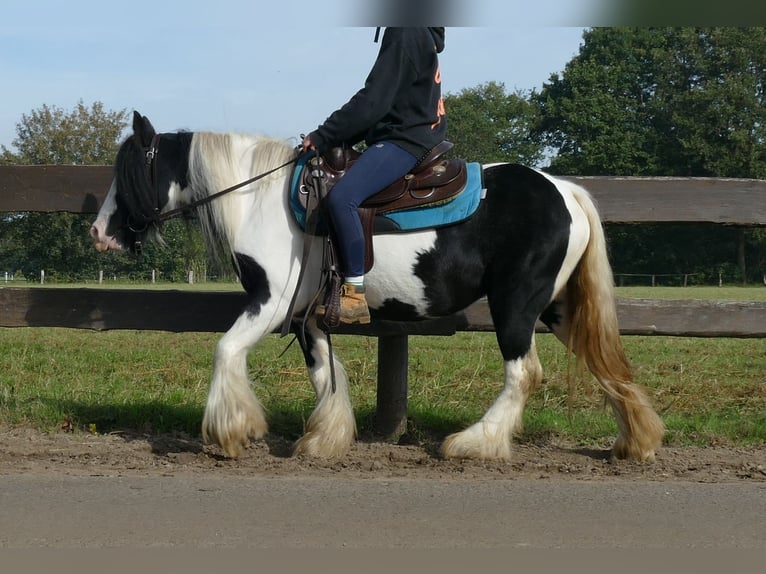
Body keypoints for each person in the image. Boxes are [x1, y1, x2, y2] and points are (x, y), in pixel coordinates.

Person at [302, 27, 447, 325]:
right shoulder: (419, 30)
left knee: (342, 198)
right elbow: (383, 104)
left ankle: (354, 294)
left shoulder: (405, 31)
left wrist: (324, 134)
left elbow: (374, 102)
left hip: (406, 140)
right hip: (415, 134)